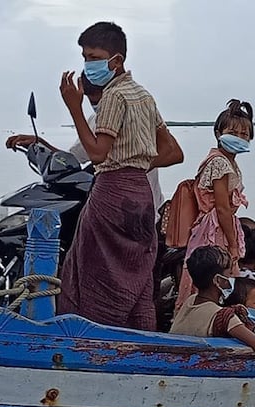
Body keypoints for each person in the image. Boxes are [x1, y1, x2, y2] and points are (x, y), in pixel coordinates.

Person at [57, 22, 184, 330]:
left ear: (116, 60)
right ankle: (142, 340)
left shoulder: (113, 96)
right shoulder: (143, 96)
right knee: (137, 277)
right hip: (141, 195)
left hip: (113, 194)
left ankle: (91, 339)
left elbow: (98, 153)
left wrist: (74, 108)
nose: (88, 64)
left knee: (90, 269)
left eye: (93, 56)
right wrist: (136, 164)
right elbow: (172, 152)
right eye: (85, 56)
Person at [7, 75, 171, 219]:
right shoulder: (95, 120)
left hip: (138, 212)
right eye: (92, 100)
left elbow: (172, 153)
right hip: (109, 205)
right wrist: (39, 142)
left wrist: (75, 109)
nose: (98, 104)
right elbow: (72, 157)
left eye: (100, 99)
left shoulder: (135, 116)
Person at [175, 100, 253, 310]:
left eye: (244, 134)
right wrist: (233, 243)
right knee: (217, 275)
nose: (239, 138)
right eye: (233, 132)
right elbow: (222, 208)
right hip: (214, 228)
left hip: (214, 224)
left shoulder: (226, 161)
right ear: (218, 133)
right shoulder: (219, 163)